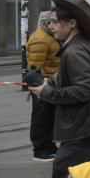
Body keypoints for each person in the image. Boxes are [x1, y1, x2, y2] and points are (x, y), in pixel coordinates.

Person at [27, 0, 90, 178]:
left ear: (72, 24)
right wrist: (55, 81)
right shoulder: (83, 45)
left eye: (55, 21)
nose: (51, 26)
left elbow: (83, 90)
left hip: (85, 128)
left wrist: (46, 92)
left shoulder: (75, 50)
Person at [26, 11, 61, 161]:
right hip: (43, 83)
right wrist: (39, 85)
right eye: (53, 22)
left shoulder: (49, 37)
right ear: (46, 23)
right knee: (42, 117)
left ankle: (50, 146)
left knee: (49, 117)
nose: (54, 25)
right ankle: (40, 149)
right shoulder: (40, 39)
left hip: (50, 82)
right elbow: (34, 67)